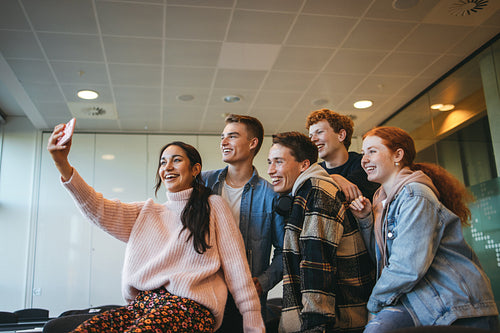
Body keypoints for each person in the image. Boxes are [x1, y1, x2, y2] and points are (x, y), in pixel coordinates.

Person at [47, 123, 265, 333]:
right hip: (143, 305)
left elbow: (237, 270)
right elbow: (98, 208)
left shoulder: (213, 206)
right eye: (163, 162)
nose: (167, 167)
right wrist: (62, 164)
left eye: (176, 160)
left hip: (190, 308)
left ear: (195, 169)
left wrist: (253, 324)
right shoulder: (148, 212)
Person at [349, 126, 499, 333]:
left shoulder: (415, 195)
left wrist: (374, 305)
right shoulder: (384, 200)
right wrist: (366, 219)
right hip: (422, 305)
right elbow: (384, 260)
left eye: (372, 151)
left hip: (456, 307)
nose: (364, 159)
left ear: (398, 155)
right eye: (364, 152)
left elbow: (407, 266)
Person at [267, 131, 375, 333]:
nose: (271, 170)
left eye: (279, 162)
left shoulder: (317, 192)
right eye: (269, 162)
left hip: (337, 322)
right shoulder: (307, 191)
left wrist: (314, 326)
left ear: (304, 165)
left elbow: (317, 265)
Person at [202, 114, 285, 332]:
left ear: (252, 143)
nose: (223, 142)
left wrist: (263, 282)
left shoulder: (270, 195)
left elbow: (285, 251)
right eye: (222, 137)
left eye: (232, 136)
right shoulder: (203, 183)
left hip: (244, 301)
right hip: (204, 295)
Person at [306, 108, 379, 202]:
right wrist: (335, 178)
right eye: (310, 136)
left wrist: (333, 178)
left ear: (341, 135)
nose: (313, 140)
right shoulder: (315, 171)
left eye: (319, 132)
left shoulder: (365, 164)